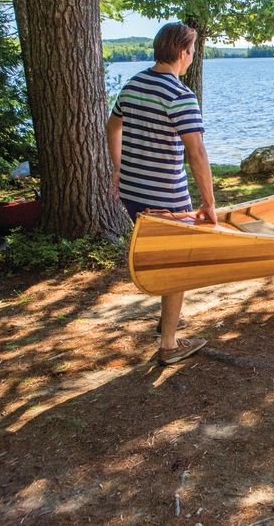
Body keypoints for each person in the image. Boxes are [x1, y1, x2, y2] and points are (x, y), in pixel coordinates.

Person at [106, 22, 217, 366]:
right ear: (182, 53)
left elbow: (113, 126)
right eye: (192, 52)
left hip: (132, 192)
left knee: (165, 256)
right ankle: (169, 344)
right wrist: (210, 203)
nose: (192, 58)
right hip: (166, 196)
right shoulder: (179, 95)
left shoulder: (133, 84)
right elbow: (196, 153)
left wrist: (117, 169)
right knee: (177, 264)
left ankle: (165, 320)